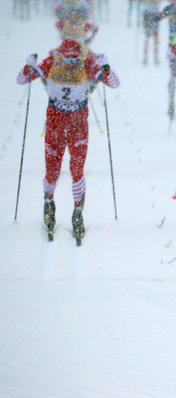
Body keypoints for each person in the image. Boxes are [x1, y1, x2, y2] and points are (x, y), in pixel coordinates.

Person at [16, 39, 120, 245]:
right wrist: (28, 66)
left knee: (77, 169)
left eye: (74, 61)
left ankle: (77, 213)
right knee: (53, 170)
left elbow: (115, 84)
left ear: (79, 57)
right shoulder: (51, 63)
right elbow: (21, 79)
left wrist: (106, 68)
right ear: (59, 56)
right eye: (66, 61)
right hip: (57, 125)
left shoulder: (87, 65)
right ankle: (49, 205)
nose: (70, 65)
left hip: (77, 126)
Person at [141, 0, 162, 66]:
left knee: (155, 36)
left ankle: (155, 56)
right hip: (147, 14)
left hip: (155, 14)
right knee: (147, 36)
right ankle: (146, 56)